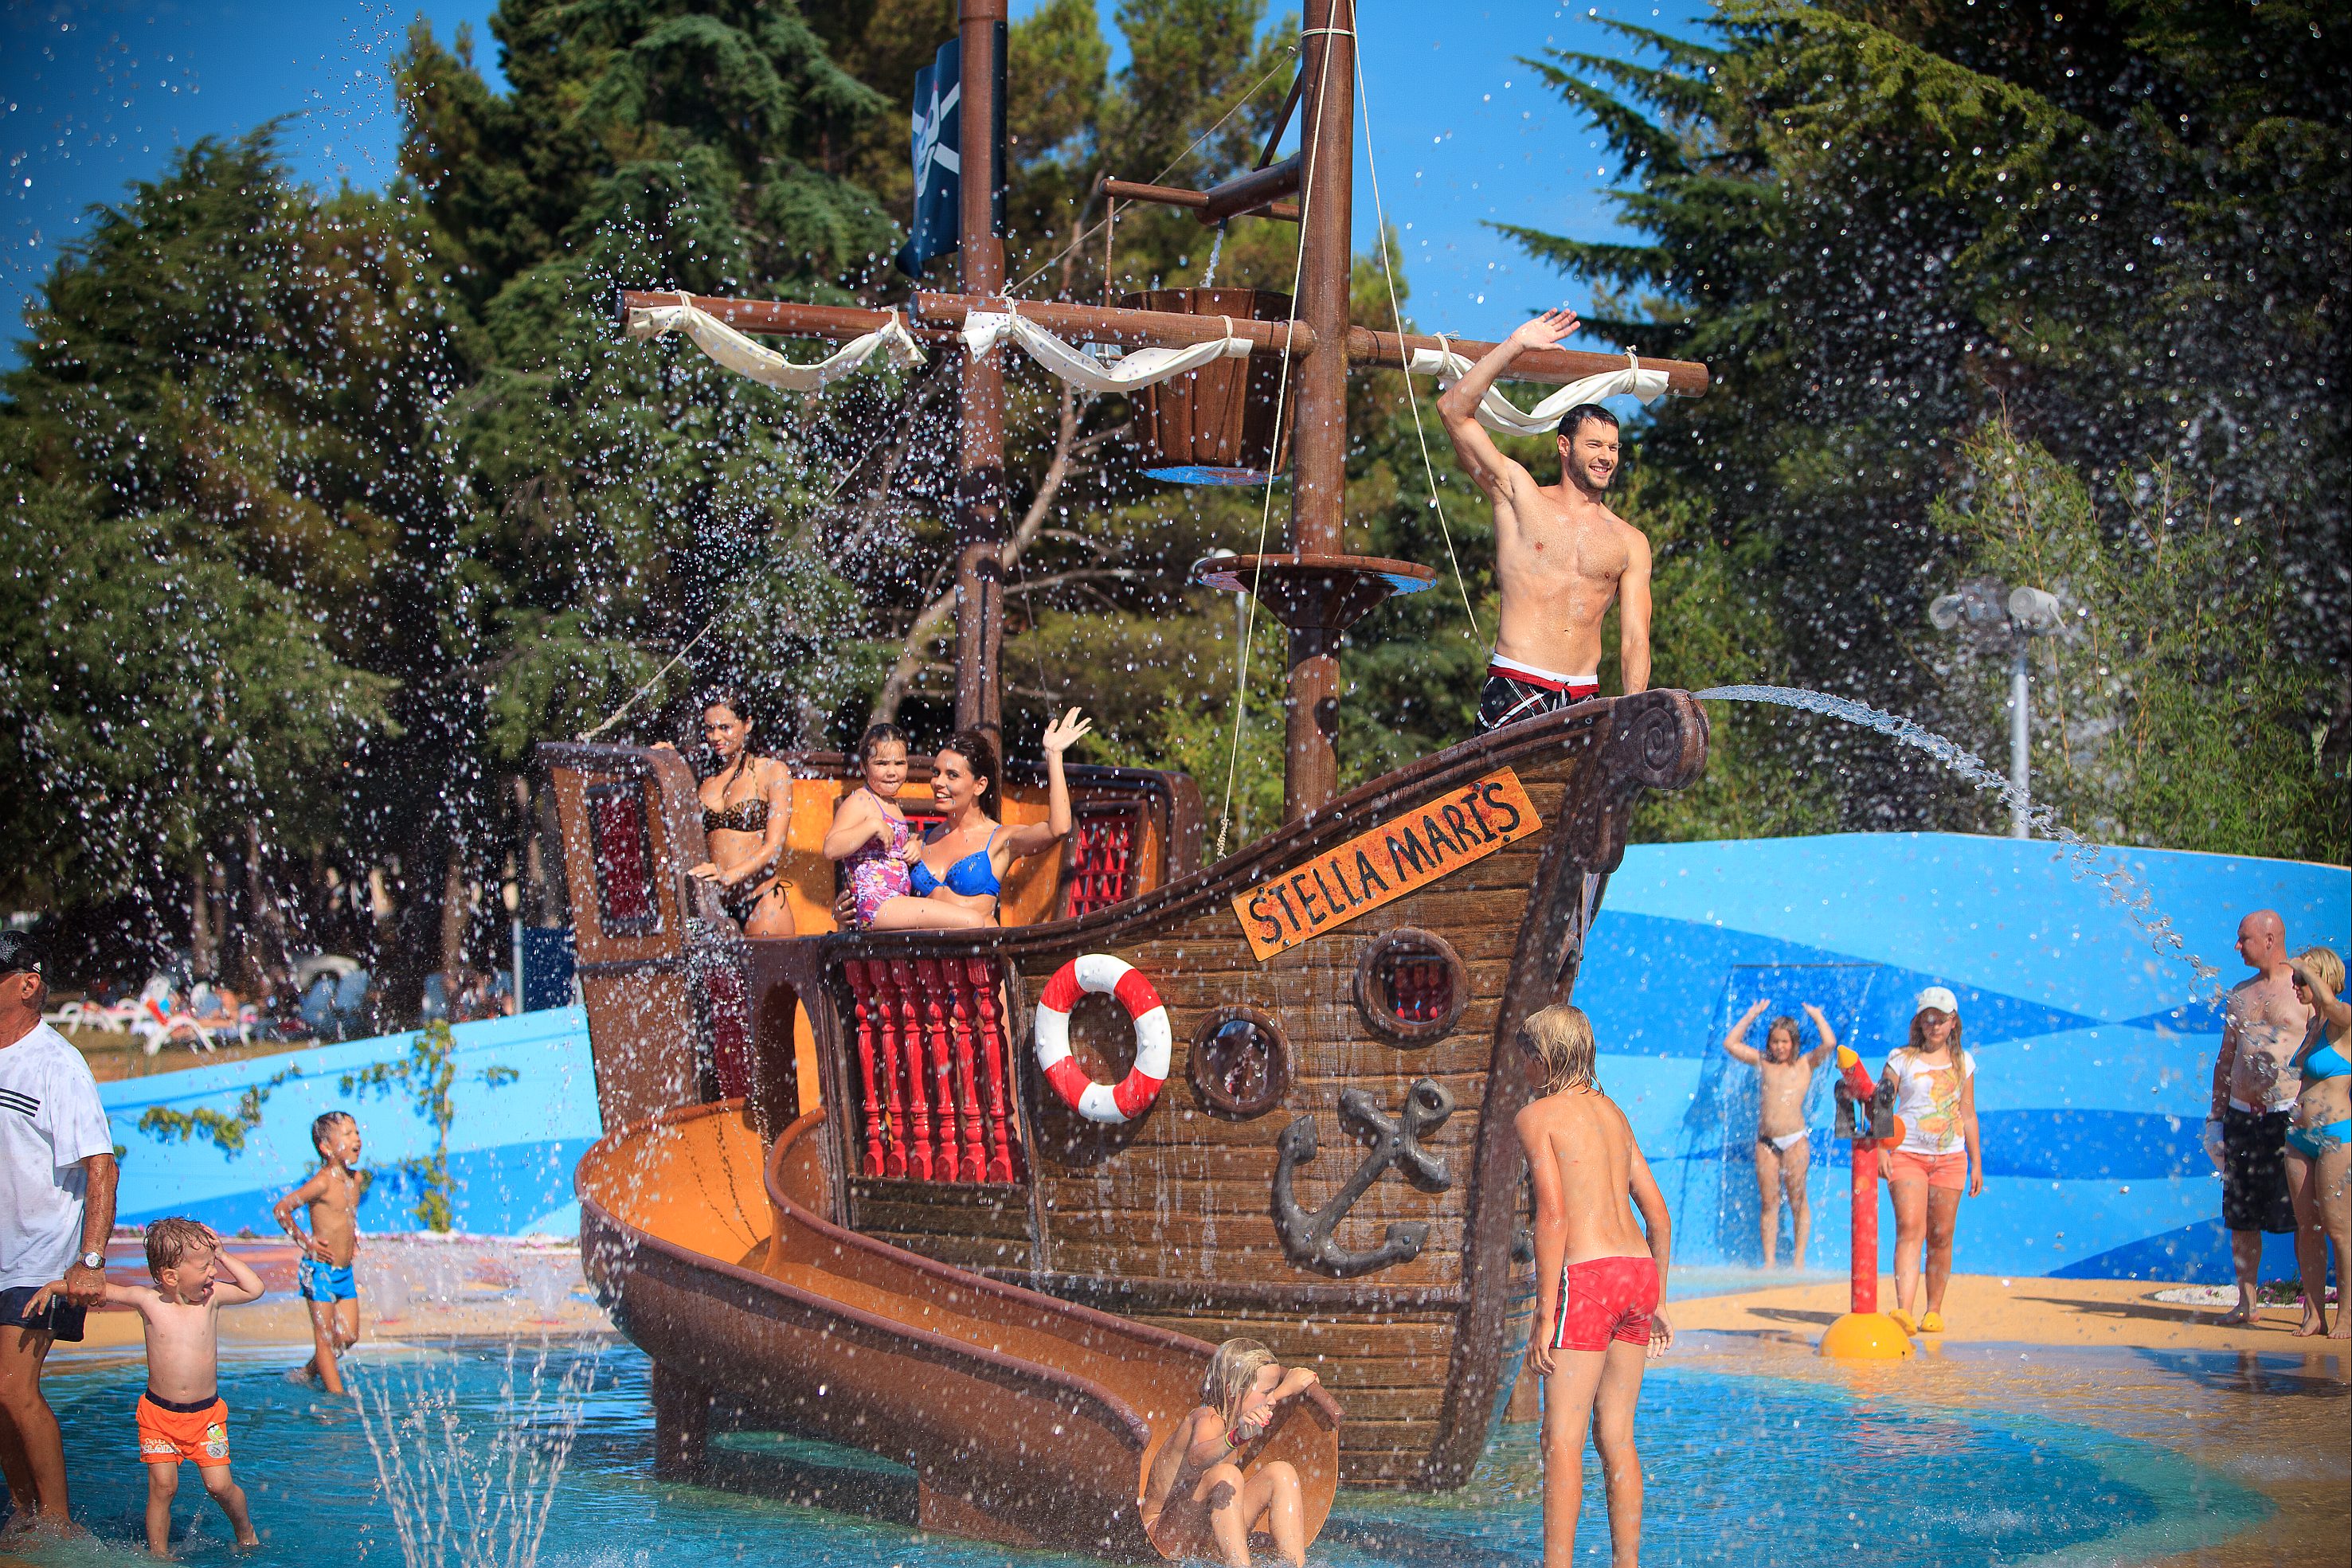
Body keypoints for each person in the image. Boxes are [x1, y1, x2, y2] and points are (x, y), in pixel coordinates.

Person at [1436, 308, 1652, 730]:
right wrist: (1515, 345)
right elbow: (1453, 409)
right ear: (1564, 447)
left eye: (1613, 447)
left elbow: (1634, 639)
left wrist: (1634, 711)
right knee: (1500, 799)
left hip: (1583, 698)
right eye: (1594, 445)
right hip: (1516, 685)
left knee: (1576, 801)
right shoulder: (1519, 495)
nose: (1606, 457)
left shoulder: (1630, 541)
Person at [1515, 1003, 1672, 1568]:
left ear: (1543, 1056)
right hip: (1636, 1275)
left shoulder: (1538, 1115)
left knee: (1560, 1440)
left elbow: (1552, 1215)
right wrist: (1656, 1299)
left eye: (1524, 1056)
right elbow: (1657, 1216)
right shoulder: (1614, 1114)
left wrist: (1543, 1314)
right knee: (1617, 1435)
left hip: (1585, 1279)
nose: (1521, 1068)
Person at [25, 1218, 262, 1554]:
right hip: (158, 1417)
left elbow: (255, 1289)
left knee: (219, 1486)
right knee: (163, 1487)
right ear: (170, 1276)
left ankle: (246, 1532)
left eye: (213, 1265)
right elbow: (100, 1291)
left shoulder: (213, 1298)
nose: (212, 1273)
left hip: (206, 1418)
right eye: (205, 1266)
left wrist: (223, 1255)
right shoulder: (148, 1301)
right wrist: (54, 1287)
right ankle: (158, 1554)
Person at [0, 933, 116, 1535]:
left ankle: (58, 1524)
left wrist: (90, 1259)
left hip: (41, 1255)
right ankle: (22, 1514)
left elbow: (101, 1162)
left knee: (14, 1388)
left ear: (27, 983)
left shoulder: (57, 1063)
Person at [858, 711, 1092, 931]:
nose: (938, 782)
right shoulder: (919, 840)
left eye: (952, 775)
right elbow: (874, 882)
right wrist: (845, 907)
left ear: (979, 785)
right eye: (936, 772)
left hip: (980, 964)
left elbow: (1059, 828)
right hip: (927, 967)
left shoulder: (1001, 840)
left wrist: (1054, 755)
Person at [2206, 909, 2308, 1326]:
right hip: (2242, 1116)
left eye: (2243, 939)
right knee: (2241, 1215)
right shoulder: (2240, 993)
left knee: (2305, 1215)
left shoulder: (2302, 989)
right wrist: (2215, 1119)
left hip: (2290, 1118)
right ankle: (2247, 1301)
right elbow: (2226, 1060)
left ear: (2269, 940)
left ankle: (2314, 1306)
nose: (2236, 947)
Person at [1137, 1339, 1319, 1568]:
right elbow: (1197, 1457)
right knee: (1227, 1475)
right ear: (1232, 1391)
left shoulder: (1236, 1409)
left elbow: (1257, 1403)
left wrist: (1287, 1389)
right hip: (1163, 1536)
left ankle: (1293, 1564)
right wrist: (1236, 1438)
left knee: (1281, 1473)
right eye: (1267, 1392)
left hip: (1203, 1534)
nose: (1272, 1400)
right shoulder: (1207, 1419)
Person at [1877, 987, 1982, 1335]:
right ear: (1920, 1022)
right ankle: (1903, 1311)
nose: (1934, 1026)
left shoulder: (1963, 1063)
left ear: (1954, 1022)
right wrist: (1880, 1149)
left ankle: (1933, 1310)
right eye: (1928, 1019)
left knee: (1941, 1235)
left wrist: (1976, 1162)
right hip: (1907, 1154)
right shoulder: (1900, 1059)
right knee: (1910, 1229)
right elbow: (1883, 1105)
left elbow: (1967, 1113)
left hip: (1951, 1158)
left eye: (1941, 1019)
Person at [658, 689, 795, 937]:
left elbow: (774, 847)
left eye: (726, 727)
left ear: (748, 725)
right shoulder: (702, 779)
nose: (716, 736)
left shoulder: (773, 772)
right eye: (710, 729)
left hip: (762, 901)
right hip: (716, 908)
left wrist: (728, 876)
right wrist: (668, 760)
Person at [1722, 999, 1838, 1268]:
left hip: (1795, 1140)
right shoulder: (1764, 1062)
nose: (1779, 1047)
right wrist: (1751, 1014)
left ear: (1794, 1043)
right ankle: (1770, 1263)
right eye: (1775, 1041)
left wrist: (1818, 1016)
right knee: (1769, 1202)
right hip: (1766, 1143)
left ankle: (1798, 1261)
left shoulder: (1806, 1063)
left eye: (1784, 1042)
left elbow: (1830, 1044)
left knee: (1798, 1199)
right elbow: (1731, 1044)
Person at [272, 1111, 366, 1394]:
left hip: (344, 1272)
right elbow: (282, 1209)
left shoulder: (355, 1179)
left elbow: (346, 1217)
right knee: (325, 1339)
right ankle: (337, 1399)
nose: (356, 1139)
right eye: (347, 1134)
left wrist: (353, 1240)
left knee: (348, 1336)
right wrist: (306, 1243)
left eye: (357, 1132)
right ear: (326, 1147)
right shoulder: (322, 1182)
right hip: (319, 1271)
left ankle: (308, 1372)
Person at [2282, 947, 2349, 1339]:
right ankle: (2314, 1312)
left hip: (2336, 1137)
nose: (2295, 986)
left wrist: (2305, 966)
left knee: (2340, 1230)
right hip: (2299, 1137)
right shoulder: (2315, 1025)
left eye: (2300, 981)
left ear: (2320, 976)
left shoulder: (2343, 1019)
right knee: (2307, 1227)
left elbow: (2329, 1000)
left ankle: (2347, 1314)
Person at [822, 723, 919, 929]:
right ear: (864, 767)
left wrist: (914, 844)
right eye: (882, 764)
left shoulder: (891, 804)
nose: (892, 772)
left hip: (893, 903)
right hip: (875, 904)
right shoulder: (861, 801)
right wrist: (872, 825)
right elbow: (831, 848)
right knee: (967, 921)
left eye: (899, 763)